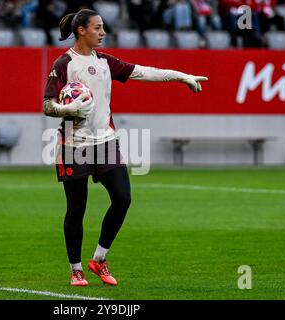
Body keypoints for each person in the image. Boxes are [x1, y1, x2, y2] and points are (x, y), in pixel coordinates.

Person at [43, 9, 208, 287]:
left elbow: (144, 72)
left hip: (106, 142)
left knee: (123, 198)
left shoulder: (107, 63)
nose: (103, 32)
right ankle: (76, 268)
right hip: (73, 144)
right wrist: (67, 108)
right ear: (81, 30)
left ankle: (99, 259)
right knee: (76, 209)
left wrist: (181, 76)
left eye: (103, 27)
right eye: (97, 28)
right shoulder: (64, 64)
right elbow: (47, 105)